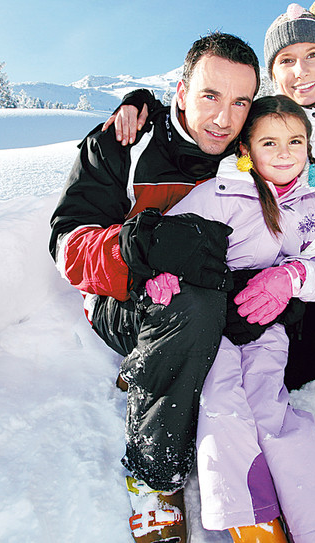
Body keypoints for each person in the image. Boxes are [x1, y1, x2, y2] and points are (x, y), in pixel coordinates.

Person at [106, 0, 315, 390]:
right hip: (261, 265)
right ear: (272, 74)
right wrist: (139, 100)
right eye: (286, 60)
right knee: (229, 358)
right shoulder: (253, 122)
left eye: (313, 56)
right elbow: (206, 114)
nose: (301, 71)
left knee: (308, 372)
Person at [49, 32, 260, 543]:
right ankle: (152, 472)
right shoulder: (123, 144)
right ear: (181, 91)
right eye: (210, 95)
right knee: (193, 307)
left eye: (240, 102)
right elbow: (66, 247)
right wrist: (138, 250)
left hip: (215, 288)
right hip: (122, 300)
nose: (223, 119)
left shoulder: (250, 150)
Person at [145, 95, 315, 543]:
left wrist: (290, 277)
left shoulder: (314, 203)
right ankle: (252, 518)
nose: (284, 153)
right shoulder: (220, 193)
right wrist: (161, 278)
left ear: (309, 147)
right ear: (246, 150)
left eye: (295, 141)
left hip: (264, 319)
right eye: (270, 142)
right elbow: (169, 239)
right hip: (211, 321)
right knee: (222, 401)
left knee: (269, 405)